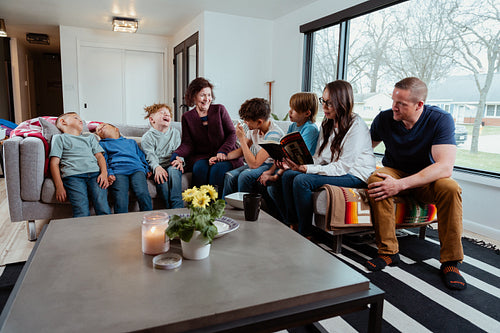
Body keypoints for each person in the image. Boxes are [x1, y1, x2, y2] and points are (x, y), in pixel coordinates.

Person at [366, 77, 466, 290]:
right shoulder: (384, 119)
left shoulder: (440, 119)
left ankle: (450, 262)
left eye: (401, 103)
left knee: (450, 187)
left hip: (425, 177)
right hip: (395, 169)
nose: (394, 107)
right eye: (393, 100)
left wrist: (400, 185)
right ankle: (388, 252)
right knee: (376, 179)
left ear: (419, 105)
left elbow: (445, 167)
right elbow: (363, 148)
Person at [278, 80, 375, 236]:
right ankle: (293, 225)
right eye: (323, 101)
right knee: (289, 175)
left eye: (329, 103)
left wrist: (307, 170)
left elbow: (342, 167)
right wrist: (298, 165)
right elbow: (320, 157)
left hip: (355, 174)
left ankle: (305, 233)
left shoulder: (356, 126)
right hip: (337, 168)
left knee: (302, 180)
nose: (324, 107)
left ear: (343, 102)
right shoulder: (327, 123)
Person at [172, 77, 243, 195]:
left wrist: (223, 151)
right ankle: (199, 206)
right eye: (202, 95)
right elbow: (187, 143)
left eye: (209, 95)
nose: (207, 99)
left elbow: (231, 133)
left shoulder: (219, 109)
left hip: (226, 155)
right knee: (199, 168)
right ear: (193, 96)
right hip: (202, 156)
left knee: (217, 170)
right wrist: (177, 154)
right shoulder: (187, 117)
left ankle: (216, 208)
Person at [261, 92, 320, 221]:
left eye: (294, 110)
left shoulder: (310, 129)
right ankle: (285, 221)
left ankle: (291, 222)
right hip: (290, 166)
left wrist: (276, 175)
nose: (290, 112)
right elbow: (284, 151)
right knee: (270, 188)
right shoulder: (293, 126)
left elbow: (295, 157)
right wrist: (270, 171)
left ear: (307, 113)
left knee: (280, 182)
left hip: (303, 167)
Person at [49, 112, 111, 217]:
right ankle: (83, 232)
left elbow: (100, 157)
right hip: (73, 177)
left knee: (103, 207)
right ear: (63, 122)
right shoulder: (59, 138)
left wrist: (104, 173)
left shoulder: (90, 138)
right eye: (76, 118)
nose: (80, 120)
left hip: (95, 175)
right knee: (81, 210)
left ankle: (108, 232)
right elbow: (54, 163)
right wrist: (59, 186)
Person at [221, 98, 284, 198]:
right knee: (230, 176)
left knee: (245, 176)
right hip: (260, 164)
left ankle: (245, 210)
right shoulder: (254, 129)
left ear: (259, 122)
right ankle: (224, 210)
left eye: (247, 121)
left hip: (271, 165)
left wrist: (241, 138)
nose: (245, 123)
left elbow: (254, 164)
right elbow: (243, 150)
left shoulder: (274, 134)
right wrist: (223, 156)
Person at [96, 123, 152, 213]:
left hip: (136, 169)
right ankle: (121, 222)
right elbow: (104, 160)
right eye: (98, 130)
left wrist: (146, 168)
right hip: (117, 171)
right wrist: (109, 173)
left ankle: (150, 218)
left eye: (103, 126)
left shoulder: (131, 142)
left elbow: (141, 156)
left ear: (116, 129)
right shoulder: (102, 144)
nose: (100, 129)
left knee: (142, 193)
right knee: (120, 196)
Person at [141, 103, 183, 209]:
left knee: (174, 171)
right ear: (152, 119)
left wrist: (180, 160)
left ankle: (178, 208)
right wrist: (157, 168)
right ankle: (167, 211)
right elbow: (150, 156)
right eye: (162, 113)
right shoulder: (147, 137)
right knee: (161, 180)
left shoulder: (176, 133)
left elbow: (180, 151)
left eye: (168, 114)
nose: (167, 115)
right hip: (158, 166)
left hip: (172, 163)